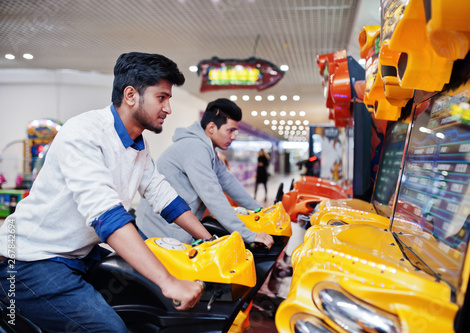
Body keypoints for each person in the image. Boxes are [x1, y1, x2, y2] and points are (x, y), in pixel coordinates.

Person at [0, 52, 213, 332]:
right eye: (162, 97)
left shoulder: (138, 144)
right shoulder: (84, 133)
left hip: (78, 254)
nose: (168, 108)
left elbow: (164, 197)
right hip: (31, 260)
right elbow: (106, 215)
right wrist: (169, 282)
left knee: (144, 301)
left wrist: (209, 240)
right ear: (131, 95)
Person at [135, 98, 274, 249]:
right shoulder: (196, 147)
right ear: (212, 127)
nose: (234, 136)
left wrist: (262, 211)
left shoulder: (209, 151)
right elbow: (213, 196)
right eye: (230, 130)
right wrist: (248, 235)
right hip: (157, 234)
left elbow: (229, 182)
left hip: (172, 230)